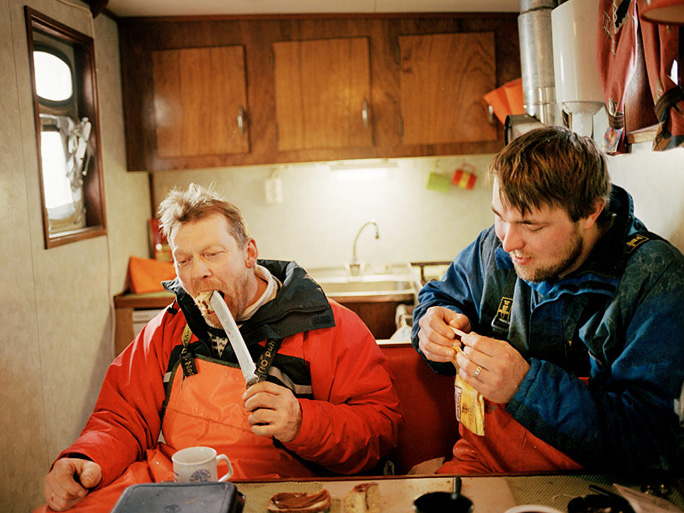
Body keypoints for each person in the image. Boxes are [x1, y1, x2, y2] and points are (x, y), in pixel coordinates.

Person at [39, 184, 402, 512]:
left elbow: (380, 431)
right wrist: (88, 457)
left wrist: (301, 422)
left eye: (213, 254)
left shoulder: (330, 326)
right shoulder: (169, 327)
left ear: (249, 253)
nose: (198, 273)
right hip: (175, 488)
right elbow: (121, 417)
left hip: (279, 492)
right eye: (184, 260)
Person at [412, 126, 684, 475]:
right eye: (499, 216)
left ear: (591, 212)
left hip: (593, 483)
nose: (508, 242)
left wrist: (524, 386)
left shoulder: (654, 279)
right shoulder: (493, 246)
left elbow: (651, 442)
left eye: (532, 226)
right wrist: (433, 322)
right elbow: (438, 296)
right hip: (480, 463)